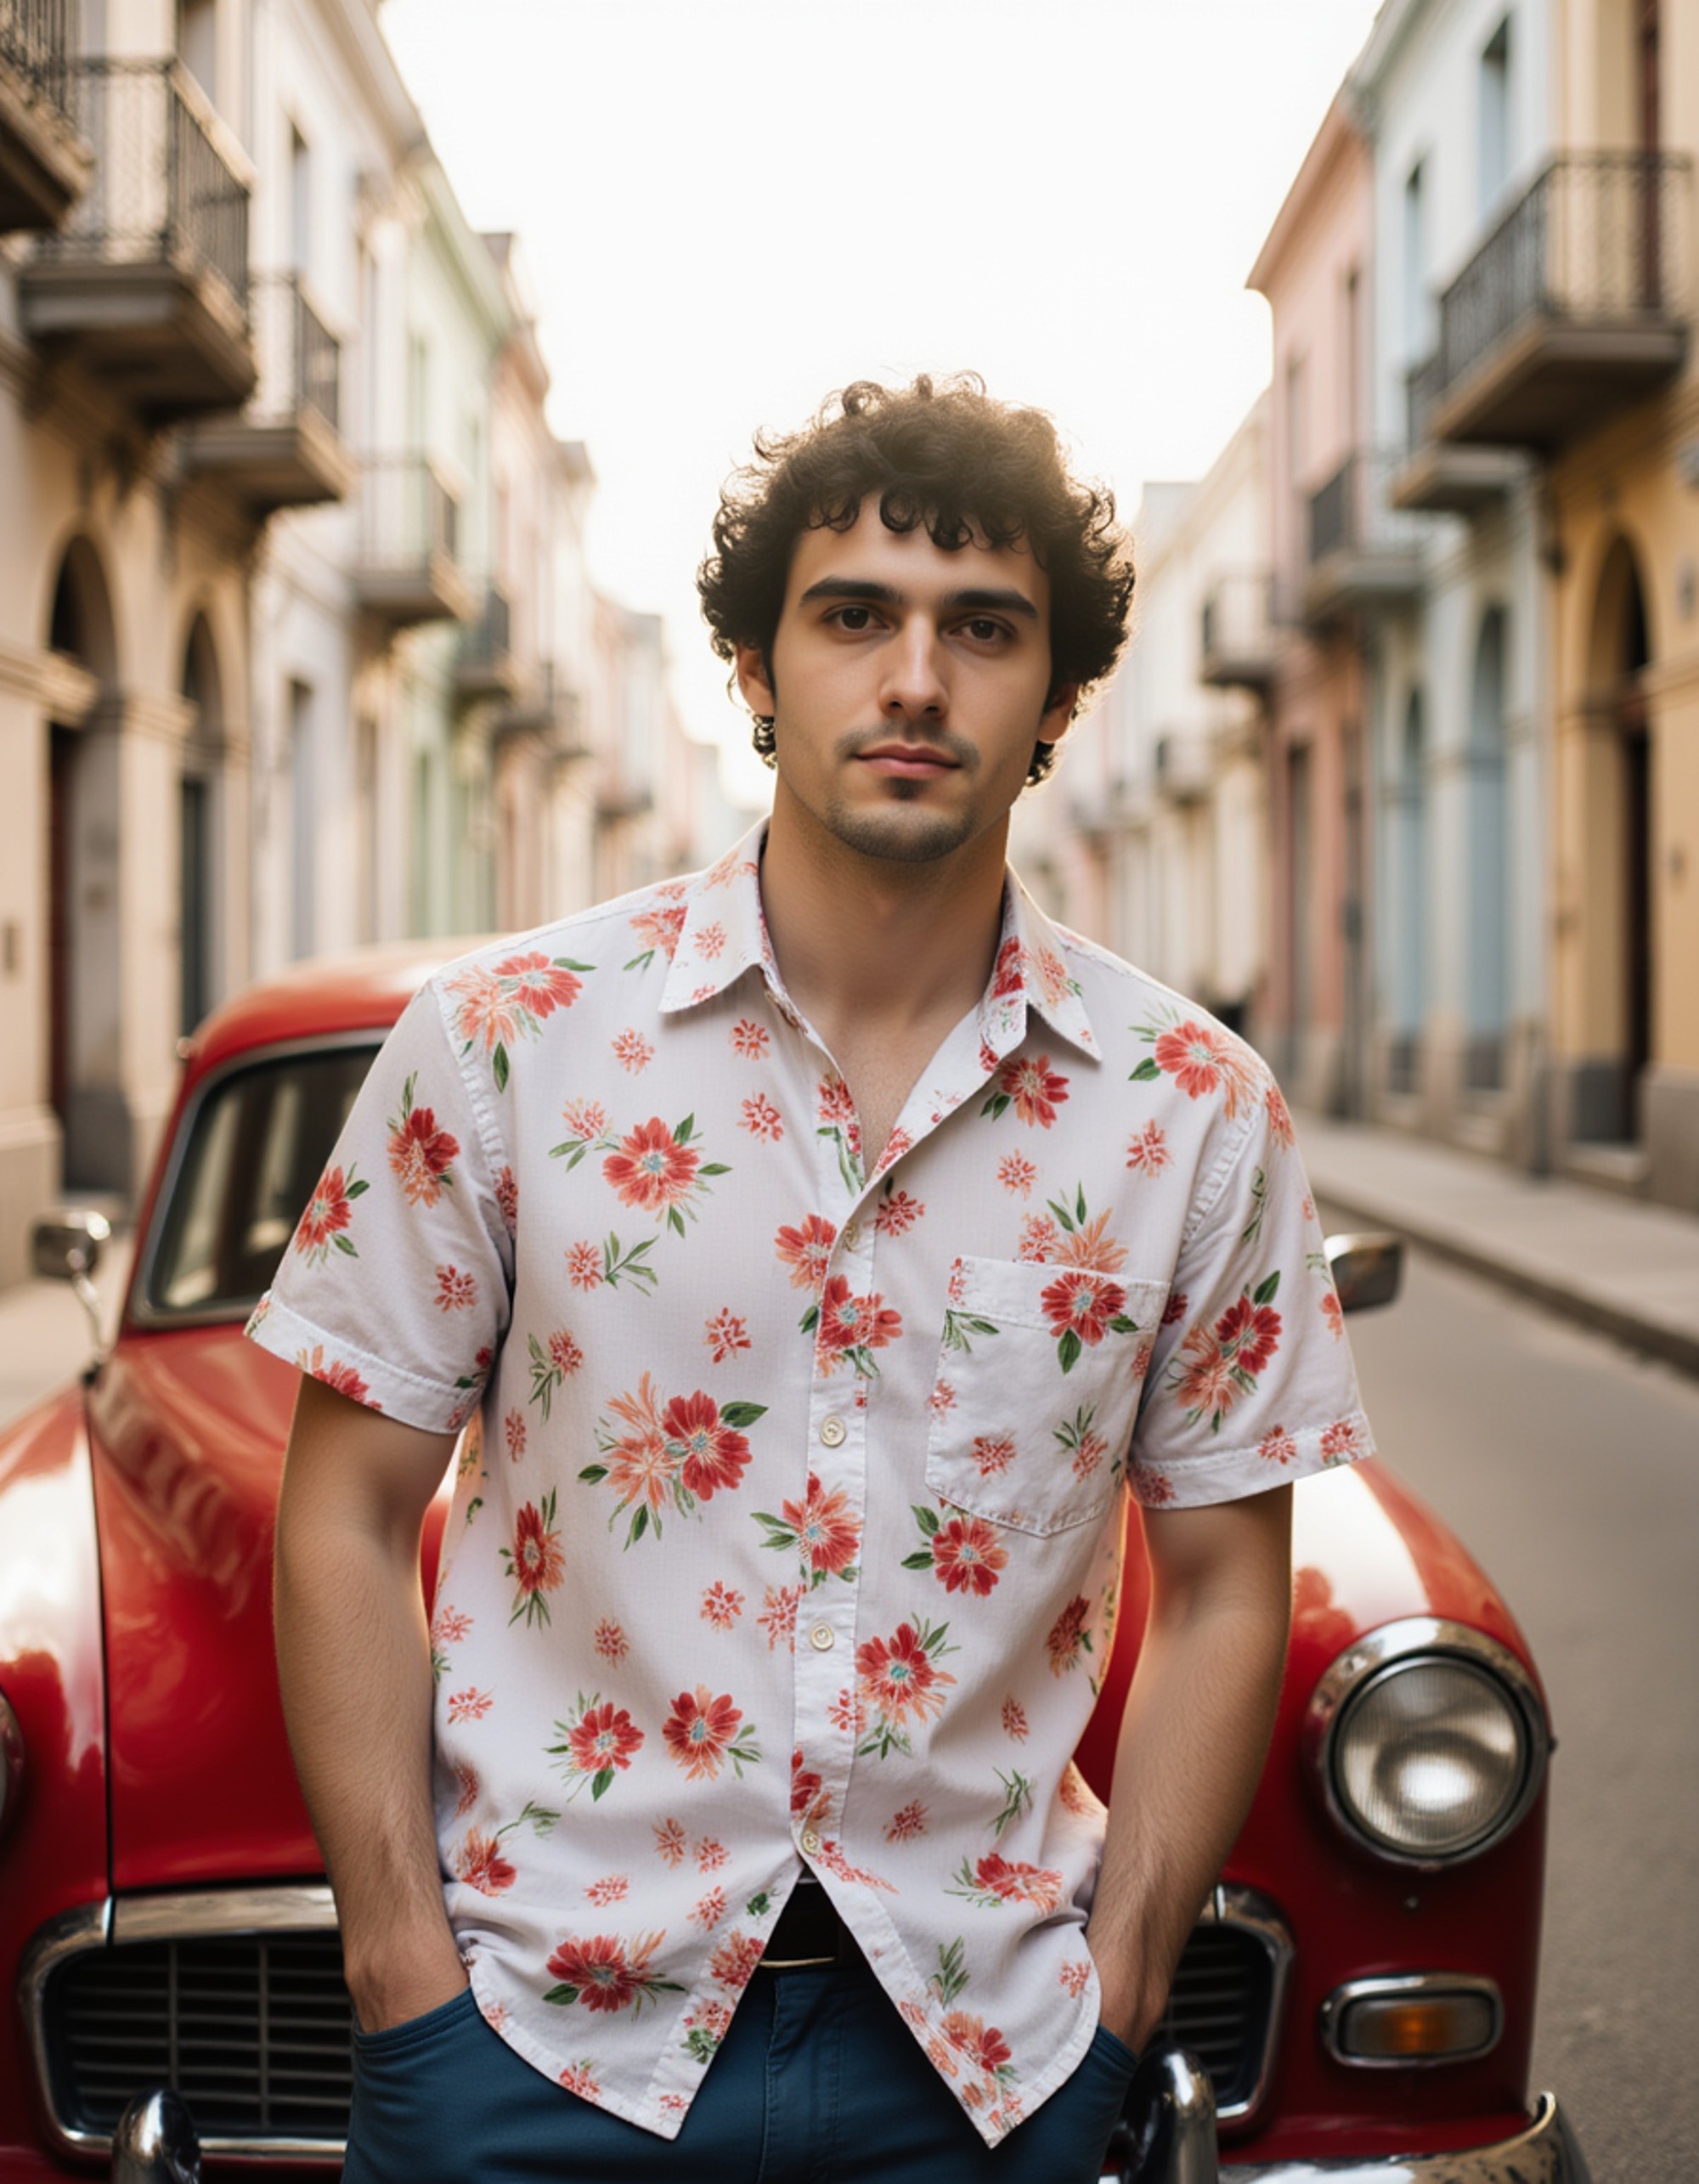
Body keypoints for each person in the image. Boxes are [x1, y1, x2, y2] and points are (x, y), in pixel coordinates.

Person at [252, 374, 1374, 2182]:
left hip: (988, 2061)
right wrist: (402, 1979)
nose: (915, 680)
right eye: (854, 616)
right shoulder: (506, 1042)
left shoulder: (1193, 1113)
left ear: (1059, 694)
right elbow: (343, 1504)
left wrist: (1127, 1992)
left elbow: (1233, 1575)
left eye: (982, 629)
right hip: (535, 2045)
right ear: (759, 669)